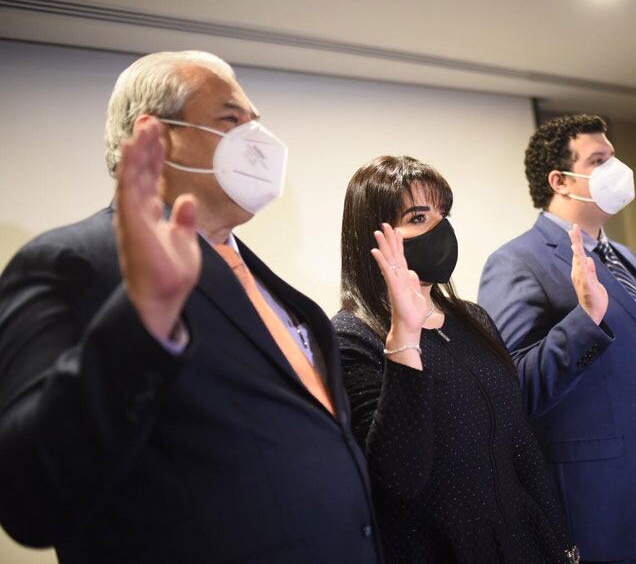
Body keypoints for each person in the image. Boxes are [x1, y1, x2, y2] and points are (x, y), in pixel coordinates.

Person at [0, 51, 380, 563]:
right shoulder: (75, 263)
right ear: (155, 136)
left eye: (256, 121)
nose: (258, 139)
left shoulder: (279, 293)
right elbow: (28, 498)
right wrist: (144, 318)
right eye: (231, 118)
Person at [478, 115, 636, 564]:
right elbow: (514, 387)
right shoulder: (516, 261)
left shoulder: (623, 255)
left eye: (613, 157)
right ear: (560, 181)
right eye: (599, 160)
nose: (616, 170)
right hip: (599, 508)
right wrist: (586, 319)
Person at [332, 155, 578, 564]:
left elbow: (519, 441)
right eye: (418, 217)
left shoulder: (473, 318)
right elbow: (398, 479)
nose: (439, 229)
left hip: (519, 543)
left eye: (442, 214)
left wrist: (562, 543)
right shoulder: (350, 337)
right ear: (373, 234)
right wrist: (405, 335)